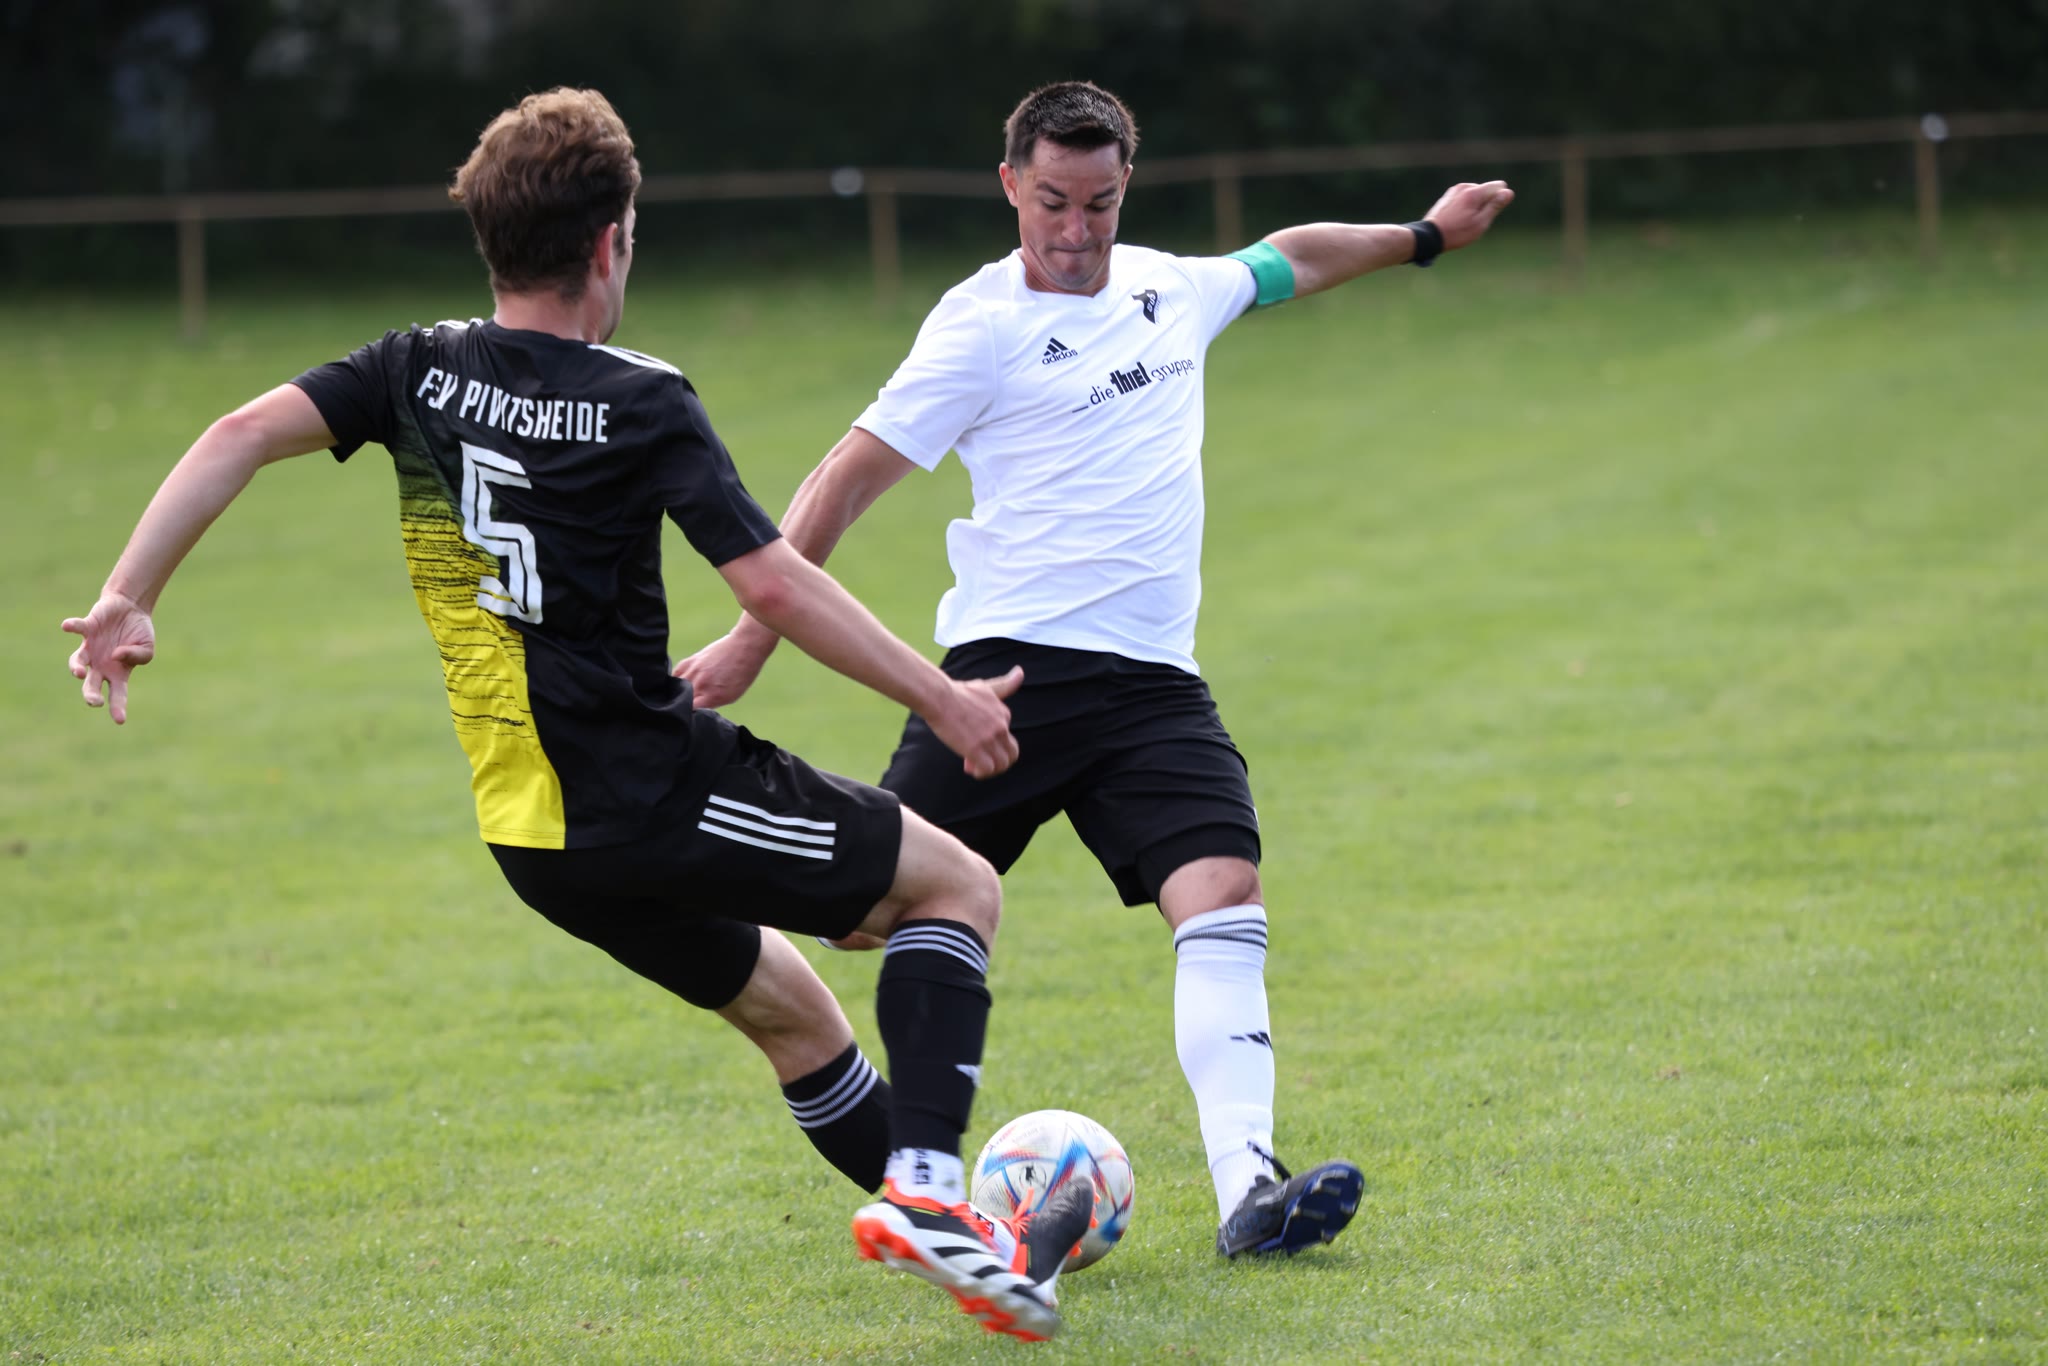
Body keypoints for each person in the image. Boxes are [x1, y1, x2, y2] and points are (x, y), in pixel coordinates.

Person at [61, 87, 1089, 1342]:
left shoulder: (410, 368)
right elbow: (770, 583)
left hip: (531, 837)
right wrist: (940, 695)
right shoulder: (640, 396)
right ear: (610, 243)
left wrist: (129, 593)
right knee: (957, 886)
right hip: (651, 793)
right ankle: (926, 1192)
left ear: (491, 237)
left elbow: (235, 431)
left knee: (794, 1013)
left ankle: (963, 1243)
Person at [677, 80, 1516, 1259]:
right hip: (1006, 682)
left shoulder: (1168, 288)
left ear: (1127, 188)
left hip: (1154, 688)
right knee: (861, 916)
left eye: (1100, 204)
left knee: (1222, 890)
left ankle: (1248, 1193)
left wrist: (1421, 236)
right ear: (1008, 184)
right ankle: (701, 875)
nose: (1075, 232)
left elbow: (1285, 259)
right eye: (1052, 202)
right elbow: (843, 476)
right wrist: (753, 636)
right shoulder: (977, 324)